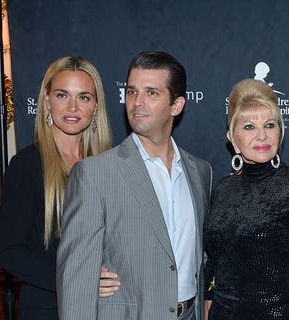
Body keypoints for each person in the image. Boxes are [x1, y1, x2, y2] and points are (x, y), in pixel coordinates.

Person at [57, 51, 212, 320]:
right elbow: (76, 282)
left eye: (151, 93)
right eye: (131, 92)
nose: (137, 103)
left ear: (176, 105)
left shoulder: (200, 172)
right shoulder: (94, 174)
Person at [0, 56, 113, 319]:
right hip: (49, 308)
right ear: (47, 100)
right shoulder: (27, 165)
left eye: (84, 97)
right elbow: (10, 252)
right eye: (62, 95)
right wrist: (78, 280)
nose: (73, 107)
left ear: (96, 107)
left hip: (105, 308)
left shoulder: (110, 165)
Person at [203, 79, 289, 319]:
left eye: (270, 125)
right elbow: (214, 263)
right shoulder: (224, 189)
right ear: (231, 137)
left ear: (281, 131)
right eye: (249, 127)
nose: (262, 136)